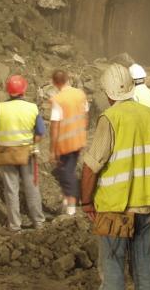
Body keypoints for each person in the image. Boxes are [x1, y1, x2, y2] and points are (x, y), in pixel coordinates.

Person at [80, 64, 150, 290]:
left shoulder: (110, 119)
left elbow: (90, 167)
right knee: (144, 265)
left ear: (107, 92)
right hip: (144, 206)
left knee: (113, 266)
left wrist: (86, 203)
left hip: (114, 208)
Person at [0, 75, 47, 233]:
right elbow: (40, 133)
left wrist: (3, 144)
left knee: (11, 190)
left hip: (6, 153)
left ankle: (14, 226)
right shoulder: (32, 108)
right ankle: (39, 223)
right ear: (24, 90)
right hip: (28, 153)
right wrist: (32, 143)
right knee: (32, 188)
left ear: (8, 91)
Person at [49, 69, 89, 216]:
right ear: (67, 79)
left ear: (54, 82)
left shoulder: (58, 100)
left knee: (67, 173)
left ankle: (71, 206)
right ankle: (67, 200)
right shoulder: (80, 94)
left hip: (65, 143)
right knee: (66, 170)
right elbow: (86, 115)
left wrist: (52, 150)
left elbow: (54, 127)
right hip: (79, 139)